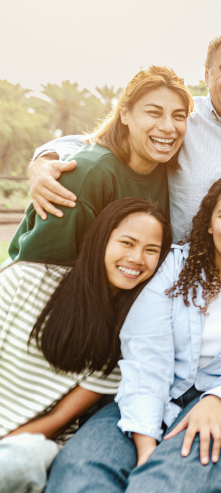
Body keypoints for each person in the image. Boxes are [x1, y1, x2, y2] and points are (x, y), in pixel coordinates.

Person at [46, 172, 221, 493]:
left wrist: (217, 401)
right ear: (209, 223)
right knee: (80, 469)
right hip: (157, 393)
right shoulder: (172, 268)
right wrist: (144, 442)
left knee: (174, 476)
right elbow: (146, 355)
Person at [28, 35, 221, 242]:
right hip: (176, 274)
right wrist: (43, 161)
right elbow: (100, 141)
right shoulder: (180, 119)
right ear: (208, 74)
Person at [0, 198, 172, 493]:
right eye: (127, 243)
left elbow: (57, 420)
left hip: (26, 446)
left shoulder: (125, 338)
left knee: (20, 460)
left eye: (151, 250)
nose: (137, 258)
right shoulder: (25, 279)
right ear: (100, 240)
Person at [8, 66, 190, 263]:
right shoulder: (88, 173)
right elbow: (40, 267)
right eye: (154, 112)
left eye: (179, 116)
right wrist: (41, 161)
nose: (168, 127)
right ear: (125, 114)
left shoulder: (174, 167)